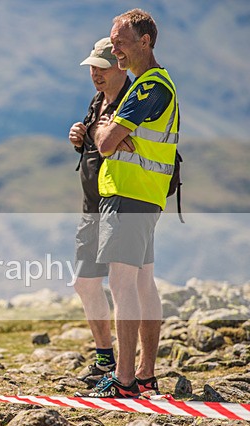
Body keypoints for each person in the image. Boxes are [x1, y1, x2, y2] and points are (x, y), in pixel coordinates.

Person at [83, 9, 179, 398]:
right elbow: (111, 138)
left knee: (123, 285)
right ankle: (144, 375)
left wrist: (103, 129)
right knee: (142, 284)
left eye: (120, 42)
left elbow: (106, 143)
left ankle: (123, 380)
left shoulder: (147, 88)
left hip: (129, 196)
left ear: (145, 41)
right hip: (145, 197)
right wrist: (109, 131)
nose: (115, 50)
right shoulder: (153, 83)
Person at [68, 38, 131, 388]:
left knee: (124, 286)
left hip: (120, 204)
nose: (95, 74)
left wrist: (94, 135)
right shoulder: (98, 101)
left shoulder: (132, 101)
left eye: (102, 67)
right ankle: (104, 359)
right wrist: (80, 137)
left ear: (120, 66)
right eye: (92, 67)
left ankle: (130, 370)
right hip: (91, 206)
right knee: (84, 282)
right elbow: (99, 144)